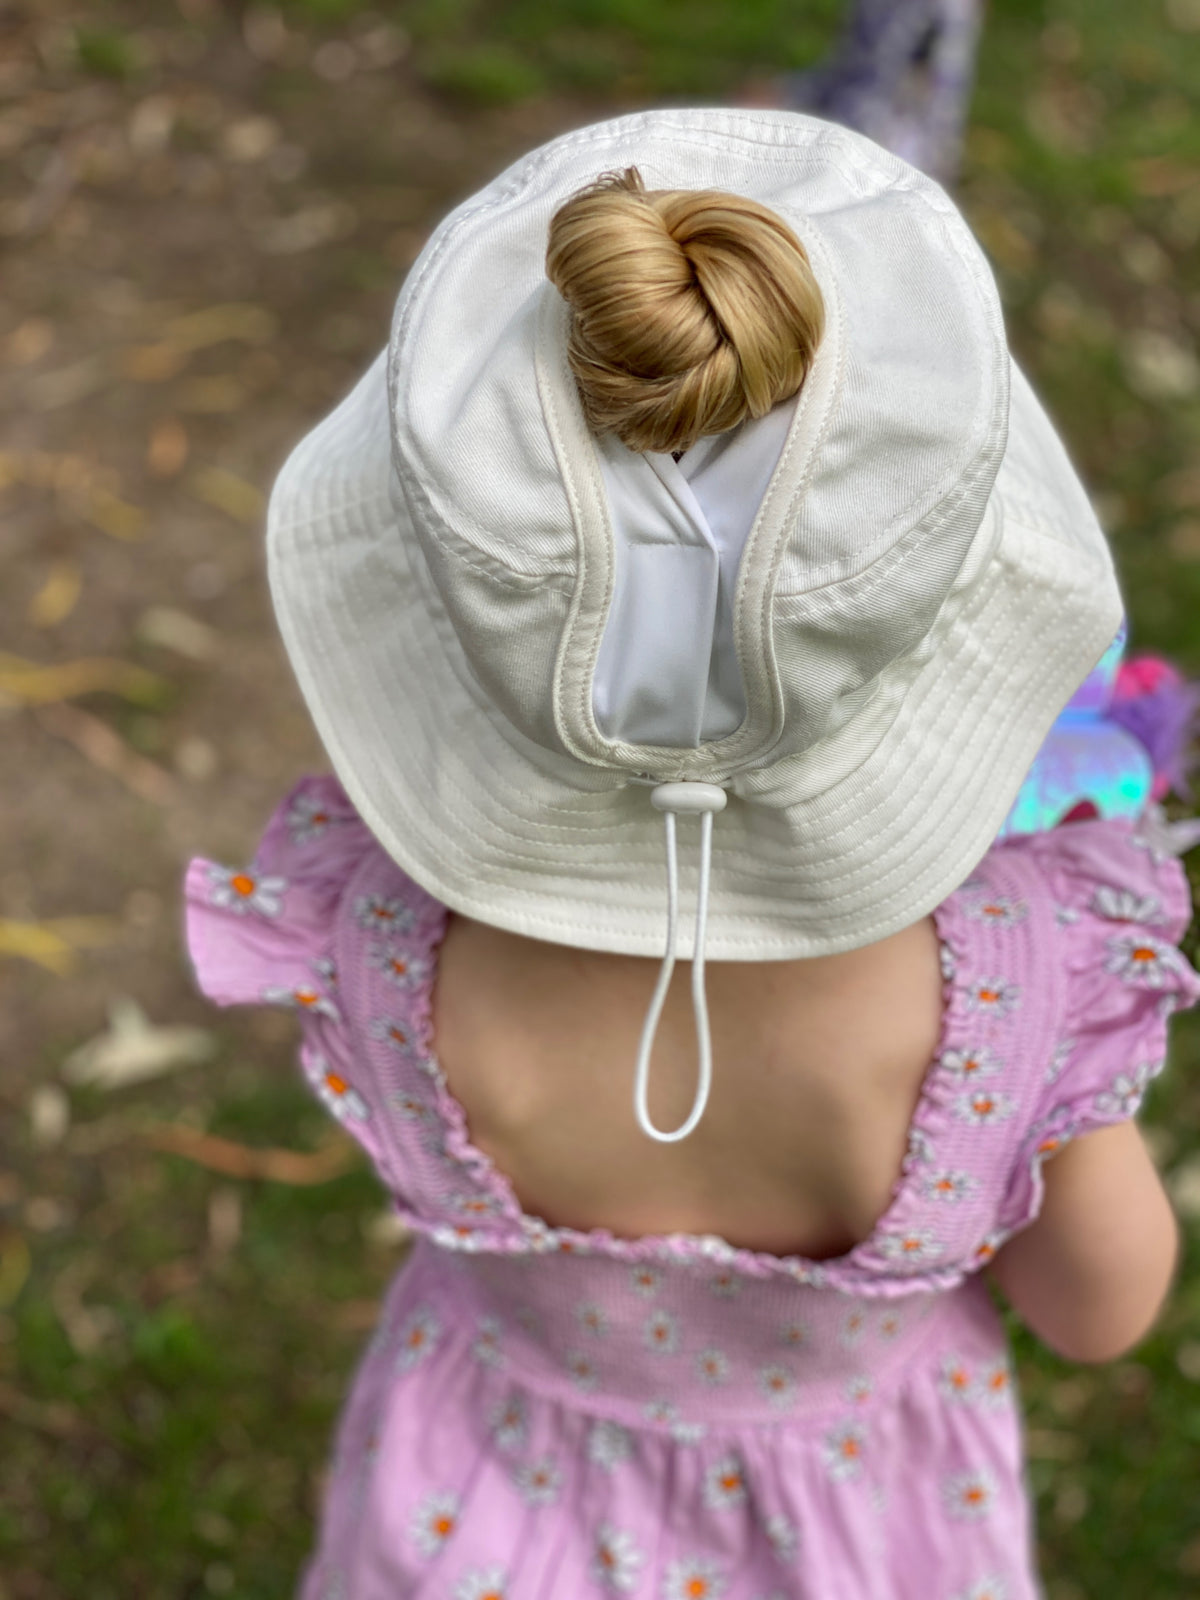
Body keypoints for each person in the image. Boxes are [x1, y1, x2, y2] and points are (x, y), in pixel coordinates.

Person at [185, 109, 1200, 1600]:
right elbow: (1099, 1310)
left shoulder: (391, 934)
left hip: (483, 1520)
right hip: (862, 1539)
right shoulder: (1010, 987)